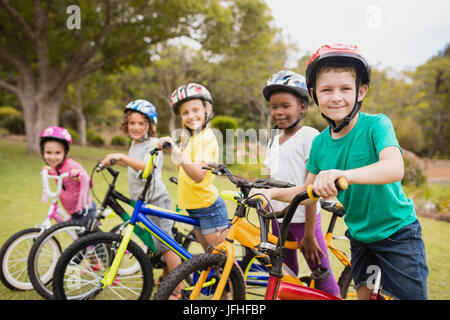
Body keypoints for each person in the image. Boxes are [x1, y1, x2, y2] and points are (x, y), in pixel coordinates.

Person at [255, 44, 428, 300]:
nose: (336, 97)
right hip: (360, 238)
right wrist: (270, 192)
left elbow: (394, 168)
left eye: (345, 88)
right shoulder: (320, 144)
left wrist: (342, 174)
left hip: (398, 234)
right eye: (327, 90)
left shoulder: (376, 125)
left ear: (361, 91)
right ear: (314, 95)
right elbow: (307, 191)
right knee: (364, 295)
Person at [262, 70, 340, 296]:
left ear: (302, 108)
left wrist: (308, 233)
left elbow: (312, 189)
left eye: (285, 105)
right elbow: (269, 184)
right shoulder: (274, 141)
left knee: (321, 271)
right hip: (279, 220)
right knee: (285, 272)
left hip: (303, 220)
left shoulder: (309, 136)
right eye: (274, 106)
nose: (278, 112)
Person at [100, 99, 182, 287]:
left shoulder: (155, 144)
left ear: (150, 125)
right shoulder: (135, 144)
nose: (135, 127)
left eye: (141, 123)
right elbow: (133, 163)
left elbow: (148, 167)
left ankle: (179, 290)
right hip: (143, 202)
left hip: (156, 200)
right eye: (132, 123)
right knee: (157, 244)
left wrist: (121, 157)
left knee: (166, 245)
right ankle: (164, 278)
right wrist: (113, 160)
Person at [157, 83, 229, 252]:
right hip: (194, 207)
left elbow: (198, 176)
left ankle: (236, 280)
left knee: (223, 261)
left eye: (196, 110)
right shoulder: (190, 138)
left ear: (207, 110)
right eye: (185, 112)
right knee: (209, 259)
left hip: (208, 208)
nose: (191, 116)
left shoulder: (206, 137)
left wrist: (176, 151)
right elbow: (184, 168)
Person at [40, 126, 96, 227]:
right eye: (48, 152)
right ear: (42, 152)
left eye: (58, 153)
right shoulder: (55, 167)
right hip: (73, 211)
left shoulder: (72, 166)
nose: (53, 157)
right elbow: (60, 176)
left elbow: (91, 183)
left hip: (85, 210)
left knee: (88, 240)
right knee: (79, 240)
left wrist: (79, 177)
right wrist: (49, 171)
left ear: (65, 153)